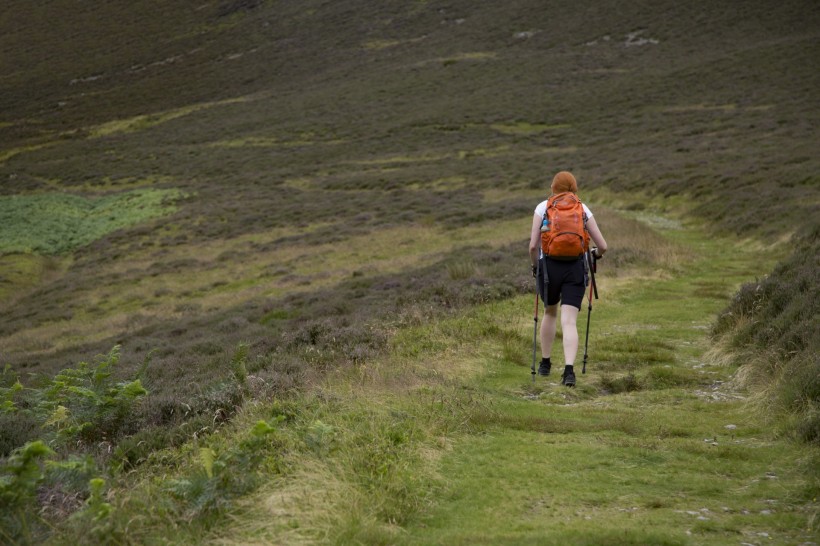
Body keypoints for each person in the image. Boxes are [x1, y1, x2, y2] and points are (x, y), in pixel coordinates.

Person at [528, 171, 608, 387]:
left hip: (549, 267)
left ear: (553, 187)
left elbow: (533, 246)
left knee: (550, 312)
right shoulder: (583, 208)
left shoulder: (542, 207)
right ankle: (569, 371)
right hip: (575, 267)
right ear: (574, 188)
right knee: (569, 320)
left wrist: (536, 267)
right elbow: (603, 246)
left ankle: (545, 364)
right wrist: (594, 255)